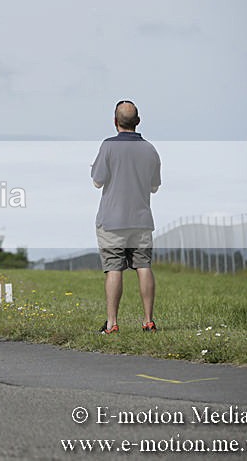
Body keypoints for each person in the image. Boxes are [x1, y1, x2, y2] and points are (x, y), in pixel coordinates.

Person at [91, 100, 161, 334]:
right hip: (141, 219)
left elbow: (97, 180)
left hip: (112, 221)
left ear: (115, 121)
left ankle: (112, 323)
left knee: (114, 269)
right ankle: (148, 321)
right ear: (138, 122)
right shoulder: (150, 149)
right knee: (144, 266)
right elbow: (154, 186)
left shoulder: (108, 147)